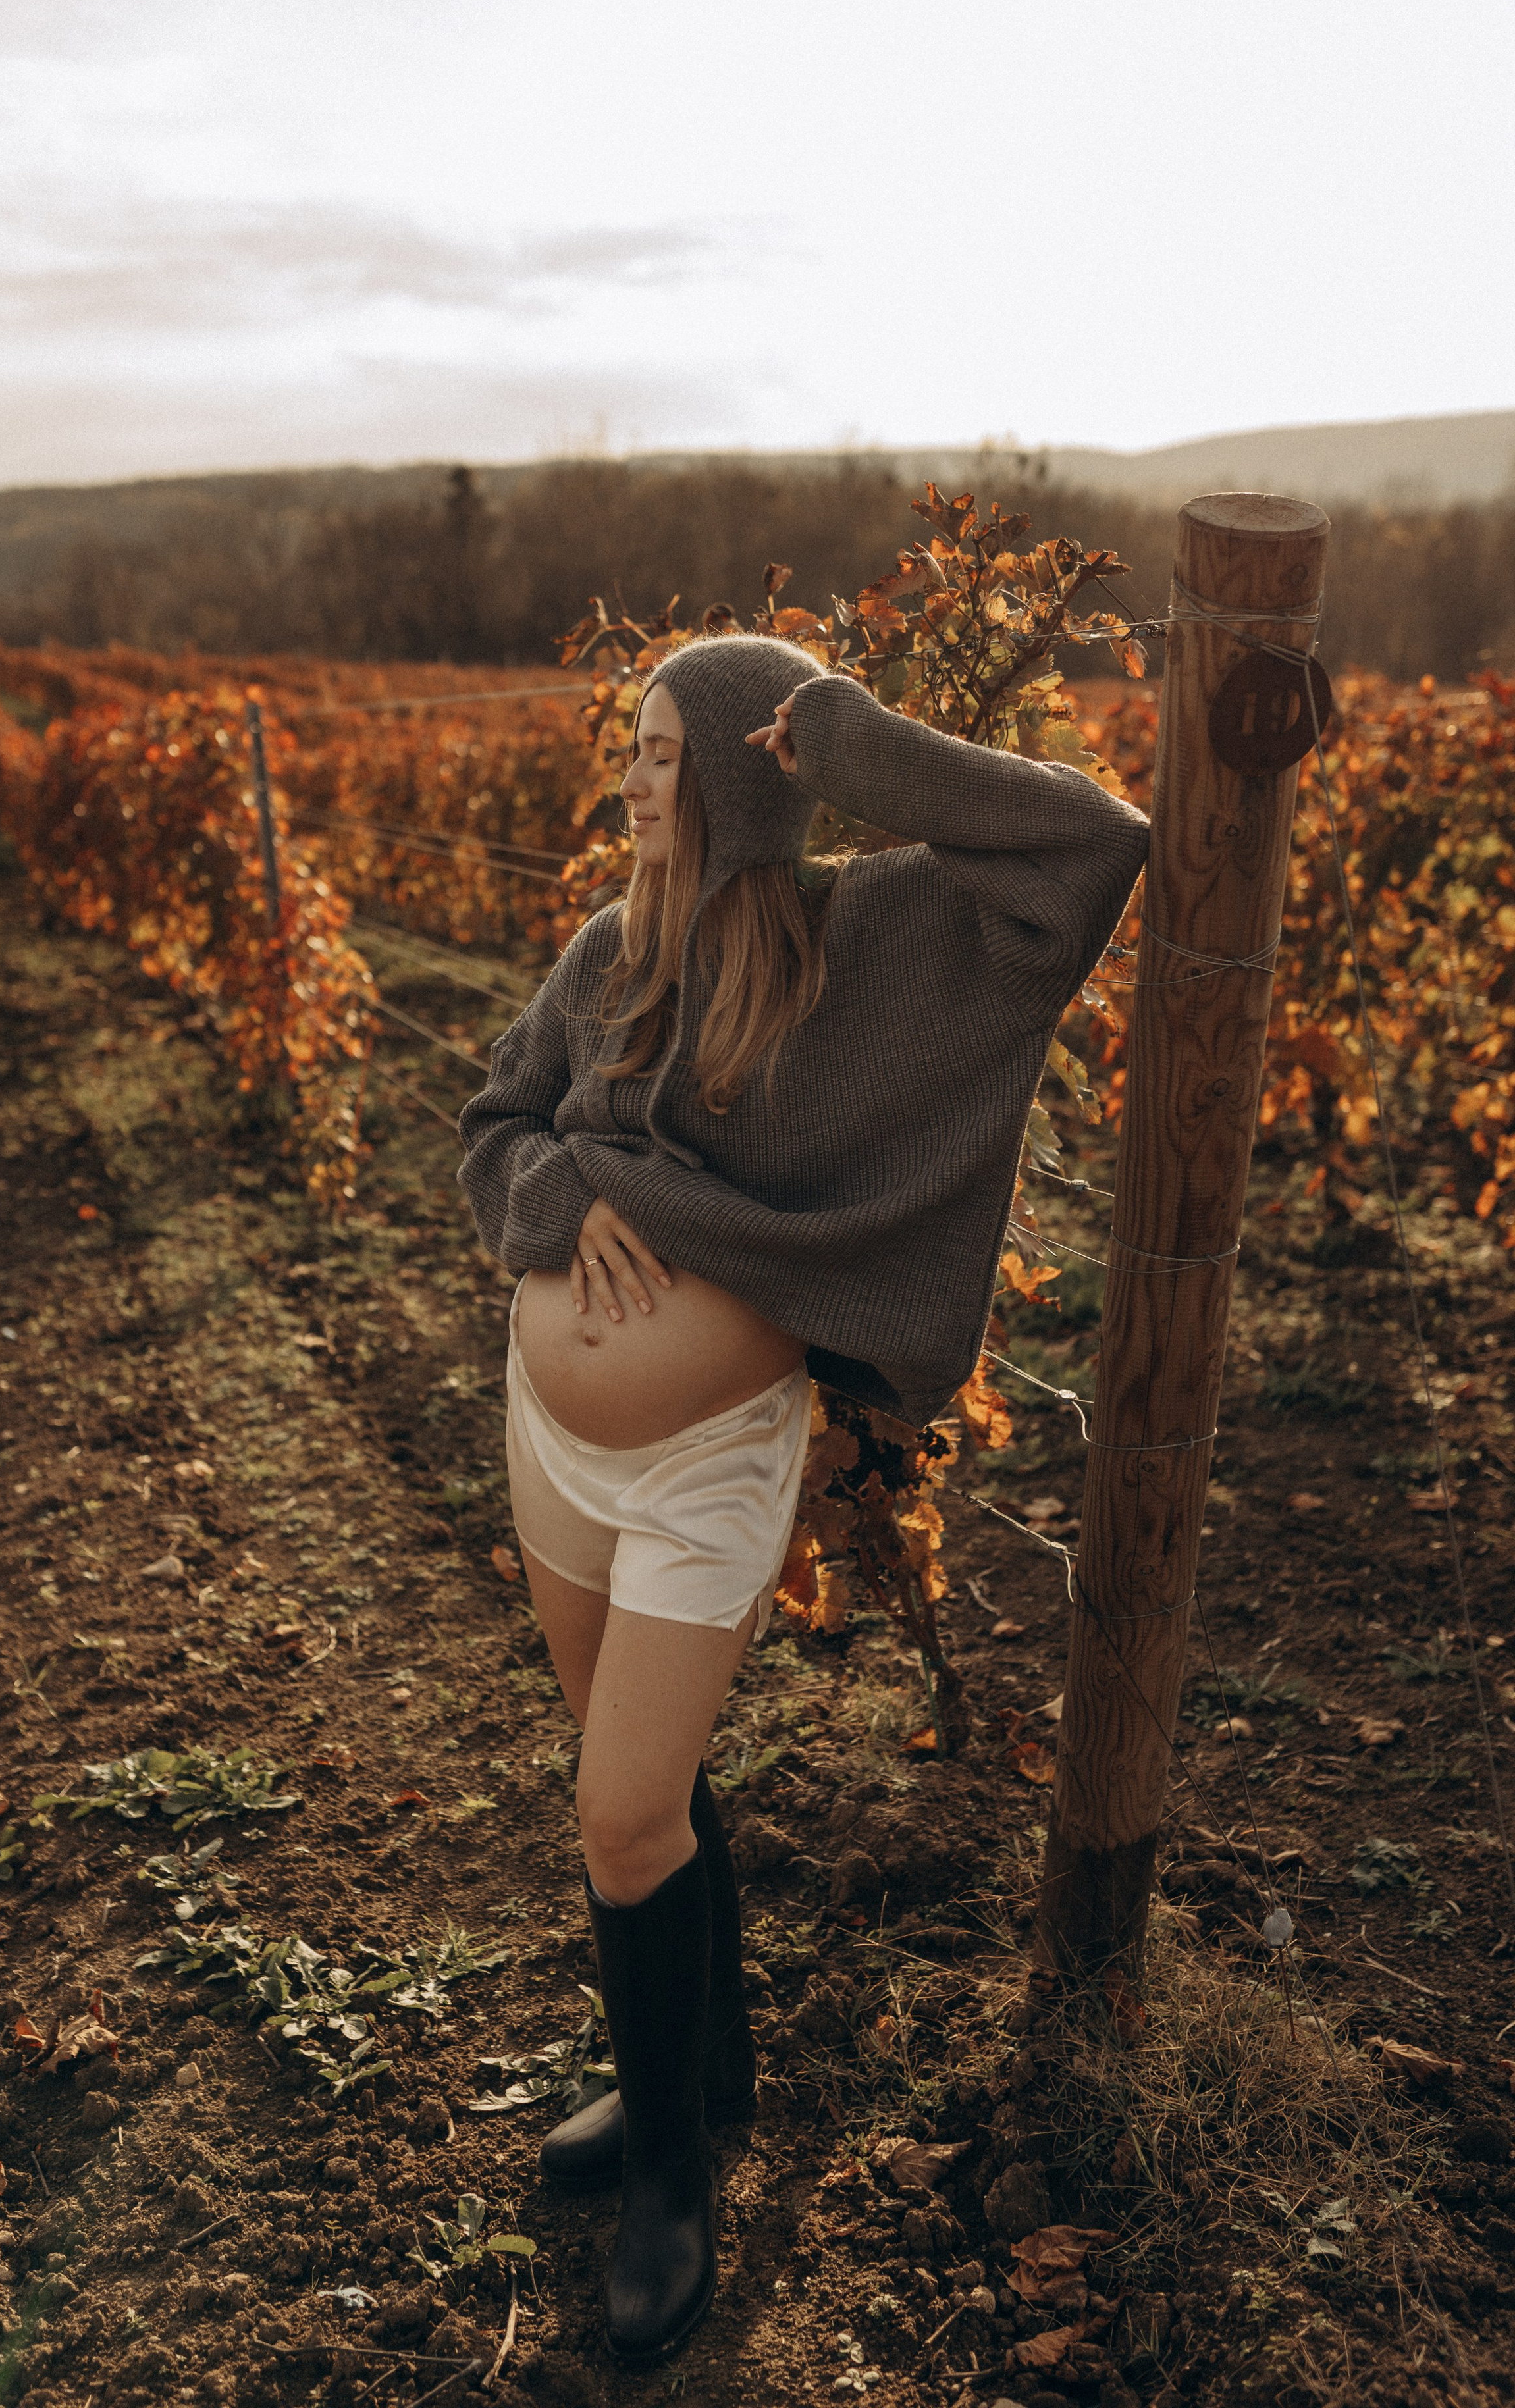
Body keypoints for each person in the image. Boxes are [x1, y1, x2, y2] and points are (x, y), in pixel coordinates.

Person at [456, 633, 1150, 2361]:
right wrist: (556, 1200)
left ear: (746, 771)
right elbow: (493, 1127)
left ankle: (674, 2187)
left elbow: (1091, 852)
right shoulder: (608, 954)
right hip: (550, 1442)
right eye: (630, 746)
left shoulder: (869, 943)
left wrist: (856, 742)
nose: (632, 779)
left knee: (620, 1812)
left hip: (708, 1459)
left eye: (663, 749)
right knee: (650, 1794)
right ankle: (696, 2070)